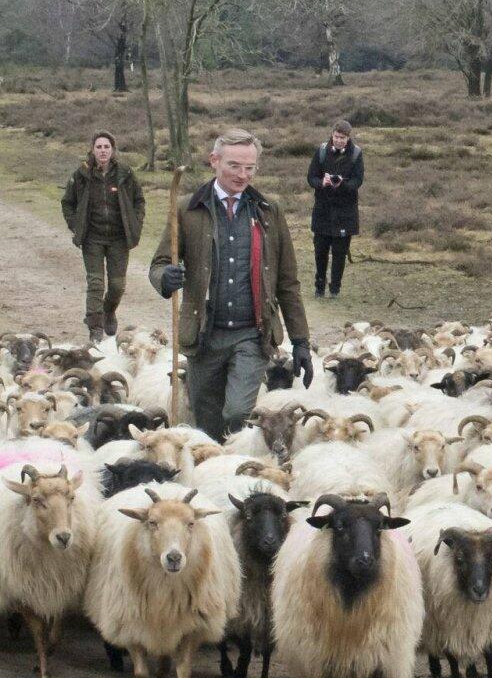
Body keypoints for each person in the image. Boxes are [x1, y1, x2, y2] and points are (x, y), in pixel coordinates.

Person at [148, 128, 314, 439]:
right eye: (234, 166)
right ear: (214, 160)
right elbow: (159, 265)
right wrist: (165, 279)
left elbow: (288, 282)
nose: (242, 175)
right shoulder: (188, 209)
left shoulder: (268, 211)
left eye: (250, 168)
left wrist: (301, 342)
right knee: (205, 423)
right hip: (204, 336)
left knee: (238, 412)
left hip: (252, 334)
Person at [60, 131, 146, 341]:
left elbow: (139, 201)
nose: (103, 151)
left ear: (113, 149)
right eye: (99, 147)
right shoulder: (81, 174)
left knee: (117, 285)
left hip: (119, 238)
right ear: (92, 149)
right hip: (93, 238)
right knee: (96, 283)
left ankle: (108, 311)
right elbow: (67, 203)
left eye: (106, 147)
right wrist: (76, 225)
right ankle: (95, 327)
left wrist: (135, 224)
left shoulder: (125, 173)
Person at [306, 118, 364, 299]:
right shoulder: (321, 152)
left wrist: (343, 184)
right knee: (320, 252)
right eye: (337, 136)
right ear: (332, 135)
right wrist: (322, 182)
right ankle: (319, 287)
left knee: (340, 254)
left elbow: (358, 180)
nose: (339, 140)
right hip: (323, 210)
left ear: (348, 137)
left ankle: (335, 290)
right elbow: (311, 177)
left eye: (343, 137)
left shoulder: (356, 154)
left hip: (345, 212)